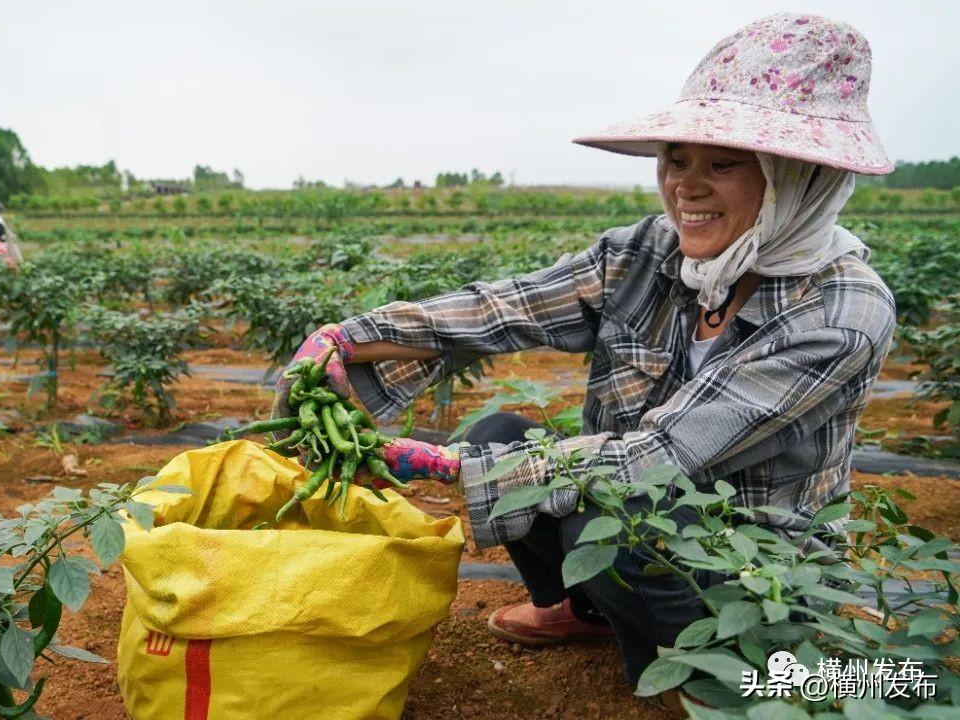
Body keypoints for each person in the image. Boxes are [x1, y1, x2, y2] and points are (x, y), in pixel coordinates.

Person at [273, 12, 896, 712]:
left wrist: (436, 466)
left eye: (722, 164)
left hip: (749, 561)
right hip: (642, 504)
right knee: (498, 436)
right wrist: (347, 338)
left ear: (799, 179)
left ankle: (728, 669)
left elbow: (655, 457)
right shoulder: (648, 252)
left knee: (607, 506)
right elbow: (505, 308)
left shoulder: (841, 312)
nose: (685, 188)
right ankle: (585, 608)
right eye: (676, 159)